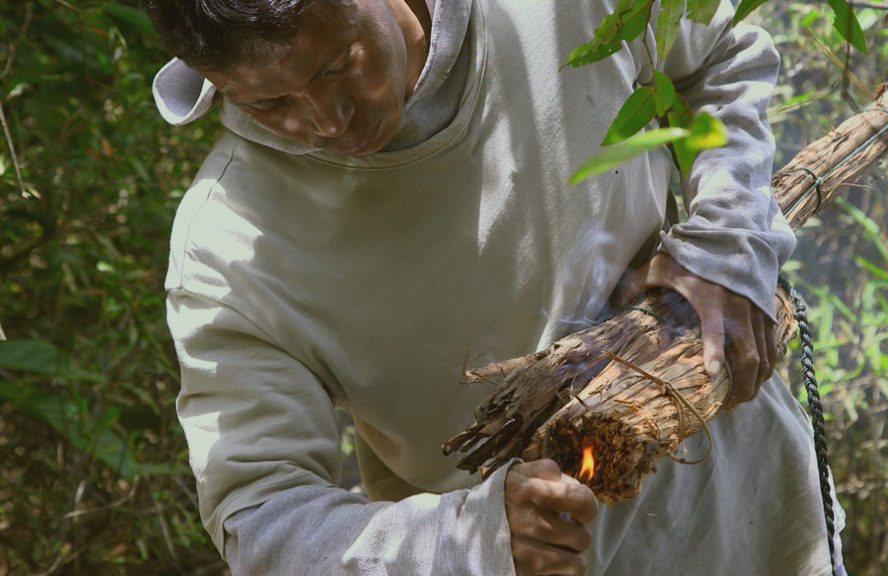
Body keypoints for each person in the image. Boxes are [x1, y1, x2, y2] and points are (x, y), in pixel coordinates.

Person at [146, 0, 846, 574]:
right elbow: (261, 519)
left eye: (337, 65)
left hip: (759, 514)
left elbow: (721, 53)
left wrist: (727, 240)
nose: (326, 121)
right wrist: (469, 540)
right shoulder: (231, 248)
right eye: (269, 102)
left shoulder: (547, 13)